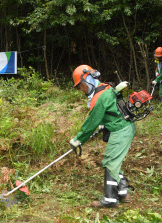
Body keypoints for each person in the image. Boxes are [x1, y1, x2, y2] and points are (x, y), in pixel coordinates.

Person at [69, 65, 136, 208]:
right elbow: (111, 108)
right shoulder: (105, 87)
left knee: (110, 162)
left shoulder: (98, 97)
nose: (80, 90)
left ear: (87, 80)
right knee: (114, 161)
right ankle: (123, 192)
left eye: (80, 86)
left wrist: (78, 139)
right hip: (124, 127)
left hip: (121, 130)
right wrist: (104, 122)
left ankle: (110, 199)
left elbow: (90, 123)